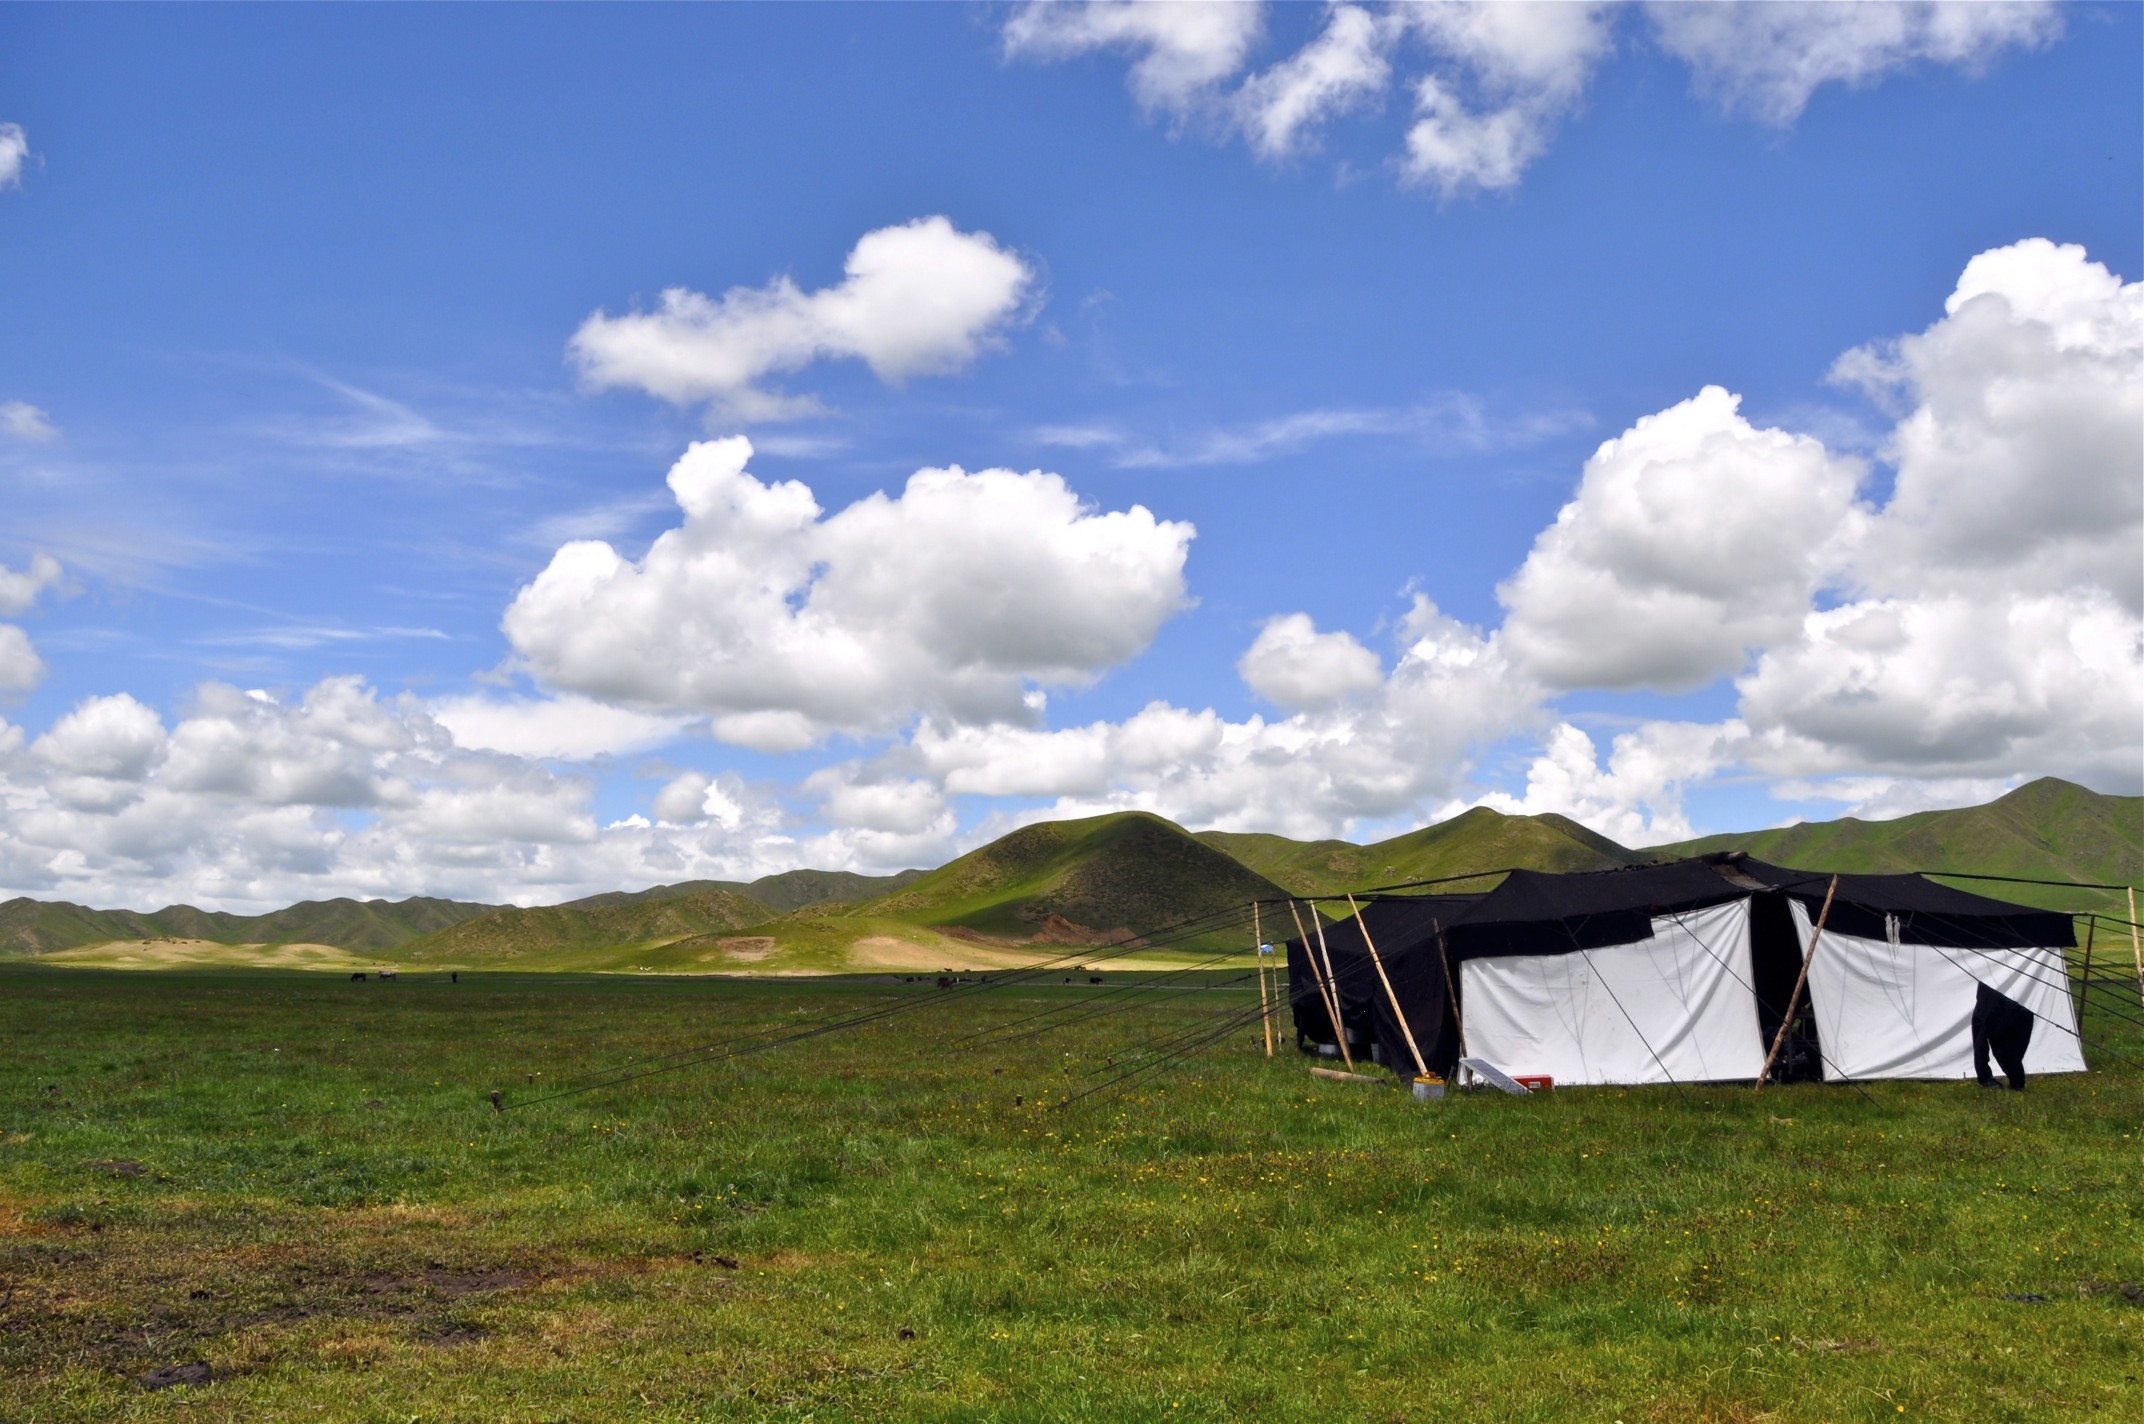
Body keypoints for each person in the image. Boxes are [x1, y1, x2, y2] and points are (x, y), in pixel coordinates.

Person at [1972, 982, 2034, 1091]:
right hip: (1991, 996)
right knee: (1983, 1037)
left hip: (2012, 1000)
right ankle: (1986, 1078)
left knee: (2011, 1043)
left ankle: (2016, 1080)